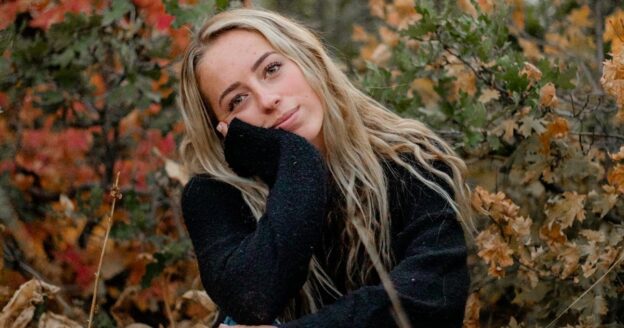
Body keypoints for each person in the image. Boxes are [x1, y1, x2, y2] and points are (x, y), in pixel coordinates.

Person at [178, 8, 473, 328]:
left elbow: (430, 301)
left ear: (308, 60)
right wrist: (295, 157)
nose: (267, 99)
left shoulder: (411, 162)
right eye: (237, 100)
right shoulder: (216, 195)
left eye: (272, 69)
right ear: (221, 130)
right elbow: (253, 299)